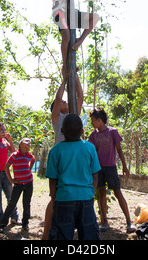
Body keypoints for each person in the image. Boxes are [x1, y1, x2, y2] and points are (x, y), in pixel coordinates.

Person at [42, 69, 84, 239]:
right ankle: (46, 234)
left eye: (66, 101)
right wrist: (65, 80)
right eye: (62, 102)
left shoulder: (74, 115)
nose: (65, 101)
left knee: (73, 196)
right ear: (57, 108)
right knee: (56, 199)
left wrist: (75, 75)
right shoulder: (57, 119)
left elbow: (80, 96)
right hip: (61, 161)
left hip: (75, 160)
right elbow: (58, 99)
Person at [46, 113, 101, 240]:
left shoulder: (55, 151)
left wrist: (54, 200)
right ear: (82, 131)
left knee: (62, 235)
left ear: (61, 131)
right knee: (89, 236)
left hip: (63, 199)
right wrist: (91, 193)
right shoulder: (89, 148)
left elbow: (52, 180)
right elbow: (95, 175)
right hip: (86, 199)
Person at [46, 0, 99, 73]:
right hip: (59, 12)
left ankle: (80, 40)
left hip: (71, 12)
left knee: (94, 17)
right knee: (66, 37)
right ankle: (65, 65)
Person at [88, 108, 136, 234]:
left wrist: (125, 166)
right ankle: (104, 221)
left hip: (111, 167)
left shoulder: (112, 132)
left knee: (117, 192)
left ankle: (128, 221)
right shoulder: (93, 135)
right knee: (101, 193)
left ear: (99, 120)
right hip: (98, 168)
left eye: (93, 120)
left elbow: (119, 149)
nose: (92, 123)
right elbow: (90, 150)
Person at [0, 138, 34, 233]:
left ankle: (25, 223)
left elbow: (33, 160)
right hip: (18, 184)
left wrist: (29, 170)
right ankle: (2, 224)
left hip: (29, 183)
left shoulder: (29, 155)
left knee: (26, 204)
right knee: (12, 203)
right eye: (27, 141)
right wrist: (11, 179)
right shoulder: (14, 155)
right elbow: (6, 167)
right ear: (20, 144)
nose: (29, 143)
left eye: (30, 143)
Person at [0, 122, 18, 226]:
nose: (3, 132)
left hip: (6, 172)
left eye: (4, 130)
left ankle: (14, 216)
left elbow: (13, 150)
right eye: (1, 130)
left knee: (10, 195)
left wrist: (10, 140)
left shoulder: (4, 142)